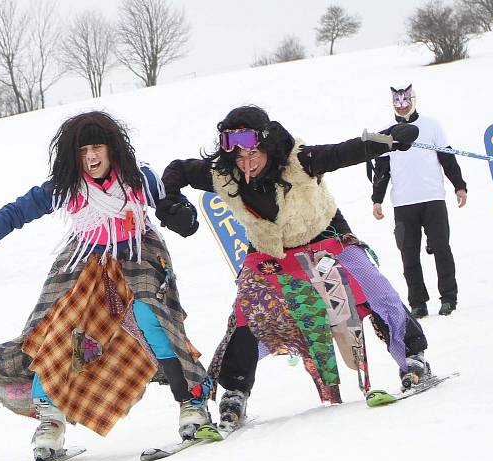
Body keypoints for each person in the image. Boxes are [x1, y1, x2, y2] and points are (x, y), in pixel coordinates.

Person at [0, 111, 213, 461]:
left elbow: (167, 204)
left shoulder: (139, 178)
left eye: (97, 148)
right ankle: (50, 419)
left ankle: (192, 402)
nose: (91, 158)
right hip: (85, 260)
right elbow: (16, 212)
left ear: (112, 148)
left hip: (137, 255)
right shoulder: (66, 187)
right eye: (82, 151)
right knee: (55, 328)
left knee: (151, 317)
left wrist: (180, 215)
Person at [160, 105, 430, 428]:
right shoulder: (223, 173)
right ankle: (235, 392)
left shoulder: (300, 161)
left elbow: (346, 152)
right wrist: (171, 201)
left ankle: (413, 358)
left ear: (268, 147)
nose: (246, 165)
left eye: (253, 156)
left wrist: (389, 140)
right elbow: (176, 169)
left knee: (371, 285)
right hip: (270, 251)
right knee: (247, 309)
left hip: (324, 233)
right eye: (239, 159)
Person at [370, 84, 467, 318]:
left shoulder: (431, 125)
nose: (402, 106)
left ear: (414, 100)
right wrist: (377, 199)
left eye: (406, 101)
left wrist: (459, 185)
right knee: (409, 254)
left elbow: (447, 157)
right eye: (397, 102)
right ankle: (418, 303)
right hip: (403, 203)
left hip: (432, 198)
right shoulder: (385, 132)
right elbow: (382, 169)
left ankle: (448, 298)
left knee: (442, 247)